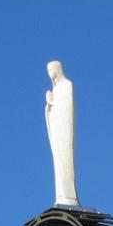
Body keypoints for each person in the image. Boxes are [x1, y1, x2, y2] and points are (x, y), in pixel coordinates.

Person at [45, 60, 80, 207]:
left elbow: (67, 110)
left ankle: (69, 197)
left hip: (64, 130)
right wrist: (50, 106)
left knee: (65, 161)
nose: (50, 74)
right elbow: (54, 113)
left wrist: (56, 104)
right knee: (58, 162)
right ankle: (61, 195)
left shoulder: (67, 85)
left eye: (51, 70)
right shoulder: (55, 90)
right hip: (57, 129)